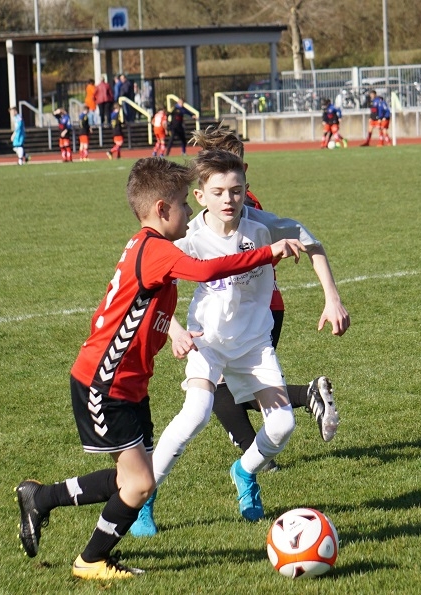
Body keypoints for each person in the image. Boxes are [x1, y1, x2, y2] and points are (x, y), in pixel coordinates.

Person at [15, 156, 304, 580]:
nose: (189, 211)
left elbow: (146, 308)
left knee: (134, 478)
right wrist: (268, 252)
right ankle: (90, 560)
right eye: (184, 203)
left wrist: (172, 330)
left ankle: (40, 498)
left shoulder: (149, 247)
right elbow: (208, 269)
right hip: (105, 381)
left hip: (129, 383)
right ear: (162, 209)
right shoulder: (155, 250)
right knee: (139, 484)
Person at [131, 128, 349, 537]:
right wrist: (175, 330)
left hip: (254, 344)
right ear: (200, 196)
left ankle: (244, 471)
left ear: (247, 186)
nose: (228, 200)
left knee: (282, 426)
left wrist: (331, 298)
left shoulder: (263, 226)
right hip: (208, 342)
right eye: (218, 192)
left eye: (236, 190)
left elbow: (314, 245)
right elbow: (150, 288)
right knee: (195, 415)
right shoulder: (188, 236)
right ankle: (144, 497)